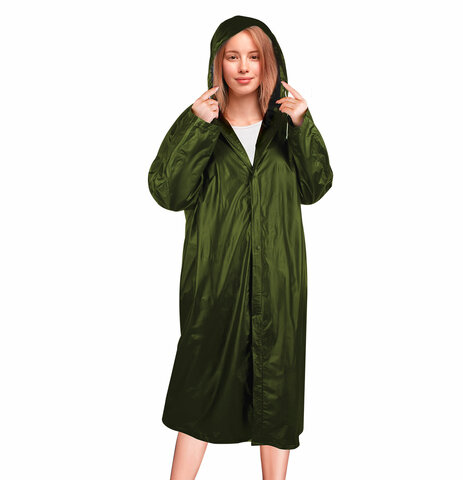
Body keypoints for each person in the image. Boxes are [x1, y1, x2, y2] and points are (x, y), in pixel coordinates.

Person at [148, 15, 333, 480]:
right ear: (219, 63)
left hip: (279, 282)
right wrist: (195, 127)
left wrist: (303, 124)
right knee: (200, 389)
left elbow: (315, 187)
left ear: (269, 63)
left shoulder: (285, 129)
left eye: (254, 56)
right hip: (215, 284)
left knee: (277, 391)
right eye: (233, 56)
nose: (244, 67)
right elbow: (168, 192)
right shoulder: (203, 124)